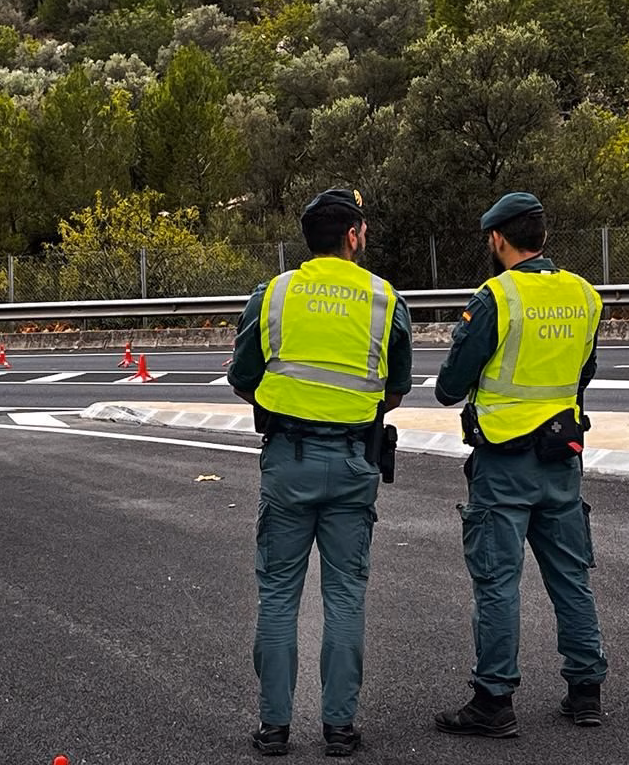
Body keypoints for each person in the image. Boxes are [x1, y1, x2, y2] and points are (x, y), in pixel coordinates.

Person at [228, 188, 412, 757]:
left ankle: (275, 728)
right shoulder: (385, 299)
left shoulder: (275, 295)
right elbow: (398, 385)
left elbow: (241, 375)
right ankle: (339, 728)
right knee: (345, 596)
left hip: (288, 460)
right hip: (356, 460)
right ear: (353, 235)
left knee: (279, 595)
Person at [433, 192, 608, 738]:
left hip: (504, 462)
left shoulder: (496, 298)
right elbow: (584, 371)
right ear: (544, 238)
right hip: (562, 458)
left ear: (497, 239)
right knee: (570, 579)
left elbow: (449, 386)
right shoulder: (584, 295)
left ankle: (494, 701)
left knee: (498, 584)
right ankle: (585, 692)